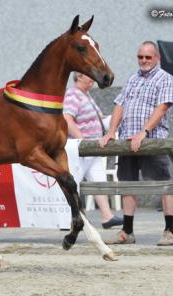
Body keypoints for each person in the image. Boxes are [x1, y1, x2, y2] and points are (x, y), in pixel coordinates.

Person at [100, 41, 173, 245]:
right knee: (127, 184)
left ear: (157, 58)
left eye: (148, 57)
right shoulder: (133, 79)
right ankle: (127, 232)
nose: (143, 61)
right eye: (140, 57)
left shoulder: (165, 78)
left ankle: (170, 230)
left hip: (152, 140)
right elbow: (119, 106)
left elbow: (162, 108)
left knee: (165, 185)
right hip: (127, 140)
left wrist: (144, 132)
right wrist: (112, 131)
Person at [63, 72, 123, 229]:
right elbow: (67, 118)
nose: (92, 78)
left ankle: (107, 216)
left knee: (98, 180)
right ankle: (66, 218)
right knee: (72, 182)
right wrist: (81, 139)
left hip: (93, 148)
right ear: (78, 77)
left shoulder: (85, 95)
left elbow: (99, 118)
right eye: (88, 75)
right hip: (81, 148)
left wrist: (116, 118)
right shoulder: (73, 94)